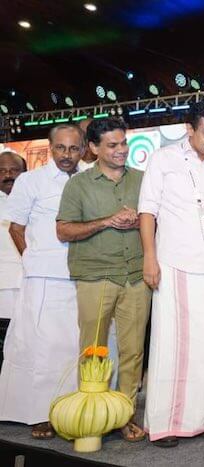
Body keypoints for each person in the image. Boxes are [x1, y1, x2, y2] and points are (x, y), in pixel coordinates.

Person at [139, 101, 204, 448]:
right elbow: (147, 212)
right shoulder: (164, 160)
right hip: (175, 262)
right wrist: (150, 258)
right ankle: (164, 423)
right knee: (173, 344)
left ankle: (197, 418)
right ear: (189, 129)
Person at [56, 117, 151, 442]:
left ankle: (125, 414)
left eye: (123, 143)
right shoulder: (78, 185)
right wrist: (107, 221)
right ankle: (92, 416)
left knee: (133, 352)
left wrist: (142, 221)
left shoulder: (142, 180)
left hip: (136, 276)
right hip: (96, 275)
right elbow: (63, 229)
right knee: (93, 350)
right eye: (112, 145)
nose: (121, 150)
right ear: (93, 148)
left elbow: (159, 222)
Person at [0, 124, 83, 439]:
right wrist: (31, 260)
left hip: (79, 276)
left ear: (83, 148)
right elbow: (15, 228)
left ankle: (72, 413)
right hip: (42, 277)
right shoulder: (30, 181)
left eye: (73, 148)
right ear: (50, 148)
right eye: (60, 148)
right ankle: (39, 414)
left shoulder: (88, 178)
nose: (67, 155)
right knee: (41, 349)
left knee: (71, 348)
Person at [0, 151, 26, 367]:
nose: (8, 175)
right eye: (2, 171)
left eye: (14, 170)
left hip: (29, 284)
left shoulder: (35, 200)